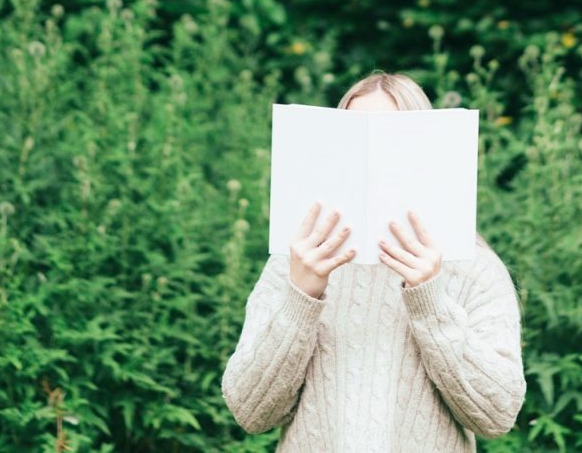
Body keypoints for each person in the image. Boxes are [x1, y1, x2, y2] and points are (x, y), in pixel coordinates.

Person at [221, 71, 527, 452]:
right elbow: (251, 412)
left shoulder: (473, 268)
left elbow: (497, 414)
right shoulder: (295, 261)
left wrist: (430, 301)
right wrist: (301, 295)